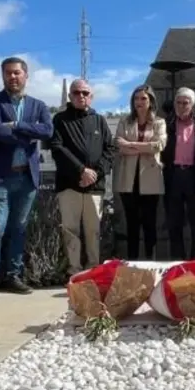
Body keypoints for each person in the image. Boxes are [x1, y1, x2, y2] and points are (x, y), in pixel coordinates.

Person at [0, 57, 53, 300]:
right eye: (8, 73)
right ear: (2, 76)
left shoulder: (38, 105)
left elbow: (48, 131)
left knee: (18, 229)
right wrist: (28, 133)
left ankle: (13, 275)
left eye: (17, 73)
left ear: (26, 75)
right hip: (1, 176)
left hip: (27, 178)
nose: (13, 77)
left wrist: (17, 124)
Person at [50, 79, 114, 277]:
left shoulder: (100, 120)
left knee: (93, 232)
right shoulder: (60, 119)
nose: (81, 96)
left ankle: (93, 271)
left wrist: (93, 174)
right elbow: (57, 148)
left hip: (94, 187)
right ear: (70, 96)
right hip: (69, 186)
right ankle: (74, 272)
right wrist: (81, 171)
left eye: (85, 93)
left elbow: (110, 150)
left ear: (91, 97)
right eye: (76, 93)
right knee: (71, 231)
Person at [113, 84, 167, 260]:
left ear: (151, 101)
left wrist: (131, 145)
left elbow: (159, 145)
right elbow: (119, 145)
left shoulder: (159, 122)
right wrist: (144, 148)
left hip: (150, 180)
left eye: (143, 98)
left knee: (150, 224)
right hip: (128, 180)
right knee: (132, 224)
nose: (139, 102)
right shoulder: (124, 121)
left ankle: (150, 261)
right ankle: (132, 261)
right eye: (136, 98)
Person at [162, 87, 195, 260]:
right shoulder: (167, 124)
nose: (181, 106)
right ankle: (177, 263)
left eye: (185, 103)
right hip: (173, 176)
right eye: (178, 102)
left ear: (192, 105)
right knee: (174, 223)